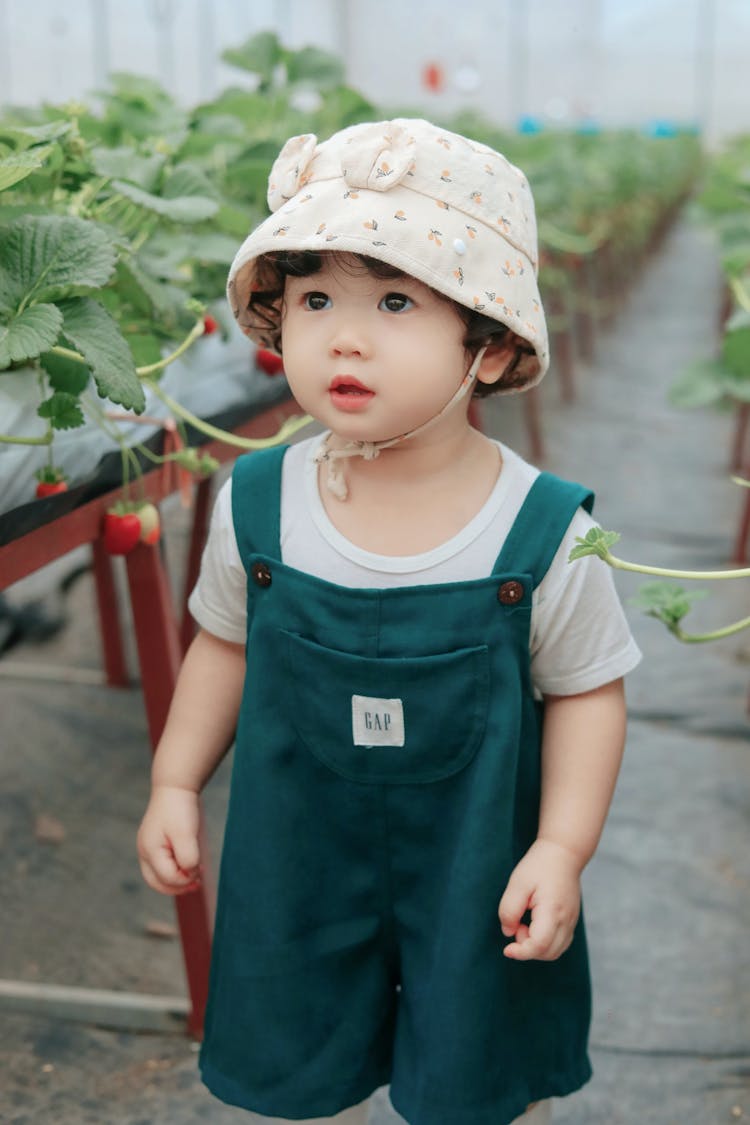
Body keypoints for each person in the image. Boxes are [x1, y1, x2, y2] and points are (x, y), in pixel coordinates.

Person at [137, 118, 641, 1125]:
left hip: (478, 865)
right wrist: (175, 780)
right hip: (297, 854)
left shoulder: (538, 531)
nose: (343, 336)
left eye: (396, 301)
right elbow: (224, 647)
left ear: (489, 348)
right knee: (297, 1056)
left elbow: (588, 691)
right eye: (315, 298)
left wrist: (561, 848)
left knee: (476, 1065)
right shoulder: (259, 500)